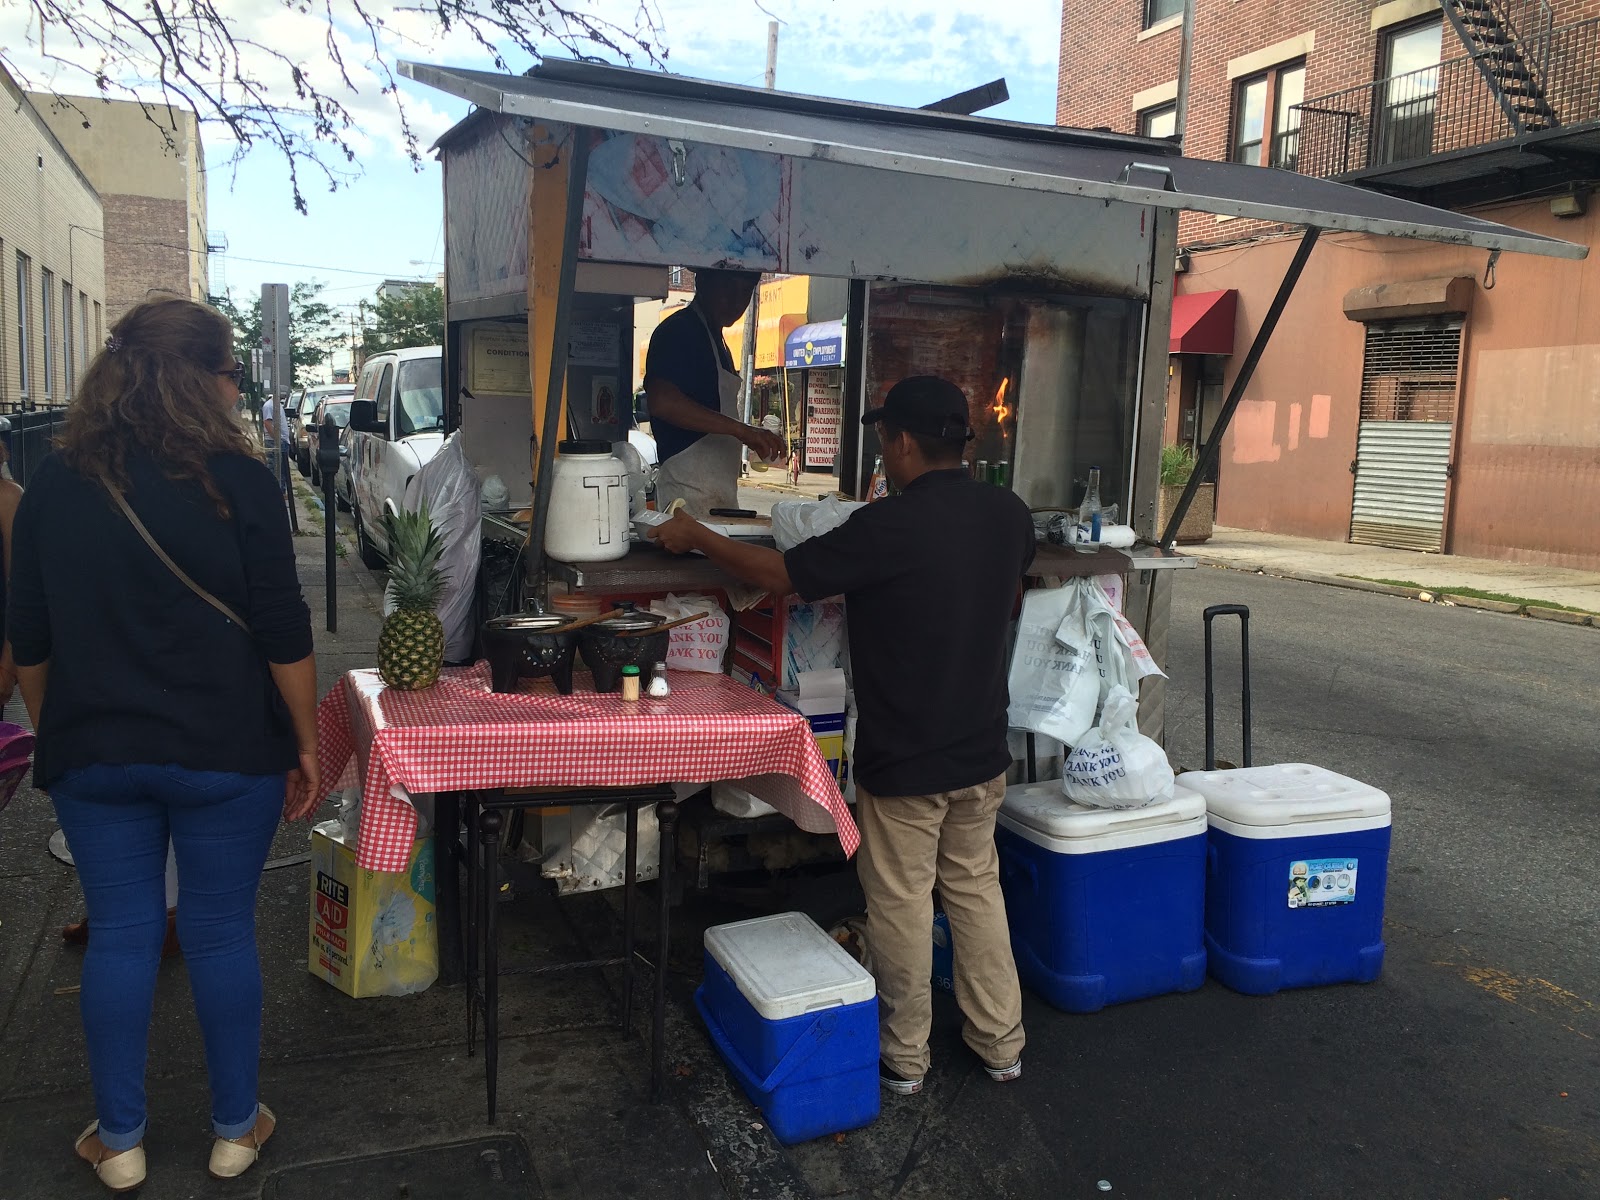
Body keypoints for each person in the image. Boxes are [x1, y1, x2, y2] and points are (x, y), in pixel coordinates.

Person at [8, 298, 321, 1192]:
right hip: (226, 749)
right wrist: (303, 741)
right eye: (229, 374)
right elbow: (282, 628)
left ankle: (122, 1141)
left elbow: (29, 636)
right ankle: (233, 1132)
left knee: (121, 935)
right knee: (221, 933)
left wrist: (56, 724)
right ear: (203, 376)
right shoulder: (242, 480)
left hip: (94, 750)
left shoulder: (55, 484)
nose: (234, 390)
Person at [650, 375, 1034, 1096]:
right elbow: (1011, 589)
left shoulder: (889, 526)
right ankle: (1000, 1044)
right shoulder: (1008, 514)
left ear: (905, 443)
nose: (884, 453)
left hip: (907, 758)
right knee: (976, 891)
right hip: (982, 750)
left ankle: (905, 1058)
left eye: (886, 439)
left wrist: (694, 533)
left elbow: (780, 574)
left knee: (900, 902)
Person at [644, 269, 787, 517]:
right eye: (728, 289)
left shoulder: (720, 343)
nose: (735, 302)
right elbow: (662, 401)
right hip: (686, 500)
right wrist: (742, 430)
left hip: (718, 499)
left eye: (744, 293)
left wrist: (752, 437)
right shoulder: (679, 331)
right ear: (702, 281)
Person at [258, 386, 294, 493]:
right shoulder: (269, 406)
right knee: (275, 468)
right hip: (274, 442)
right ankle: (276, 492)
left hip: (282, 440)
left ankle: (281, 490)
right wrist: (277, 439)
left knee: (282, 469)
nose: (284, 394)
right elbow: (267, 423)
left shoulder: (278, 405)